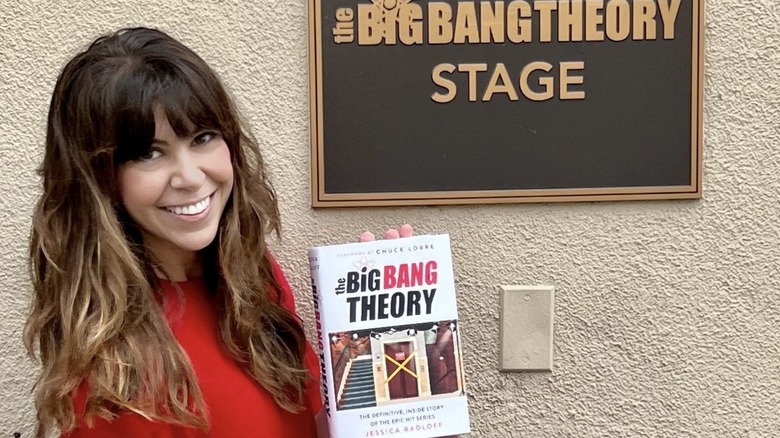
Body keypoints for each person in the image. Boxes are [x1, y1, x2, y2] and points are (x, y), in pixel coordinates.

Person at [23, 26, 415, 437]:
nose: (191, 177)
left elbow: (304, 426)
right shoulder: (113, 371)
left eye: (202, 137)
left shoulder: (251, 275)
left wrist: (382, 355)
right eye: (149, 153)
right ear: (98, 180)